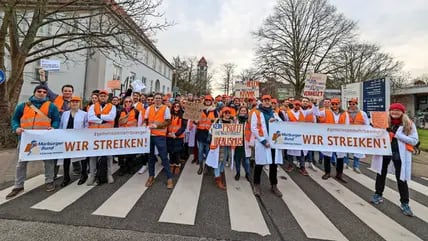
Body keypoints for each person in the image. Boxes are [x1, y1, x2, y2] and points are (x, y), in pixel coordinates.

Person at [6, 85, 60, 198]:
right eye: (39, 91)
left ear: (46, 94)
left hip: (44, 140)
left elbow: (56, 120)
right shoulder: (23, 106)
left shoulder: (52, 107)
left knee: (48, 162)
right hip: (26, 139)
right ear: (34, 92)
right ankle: (18, 185)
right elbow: (15, 119)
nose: (41, 93)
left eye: (44, 92)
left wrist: (54, 127)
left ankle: (49, 181)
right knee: (21, 163)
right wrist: (16, 128)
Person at [370, 103, 419, 216]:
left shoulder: (408, 124)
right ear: (390, 111)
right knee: (380, 174)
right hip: (385, 152)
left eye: (398, 110)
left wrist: (397, 135)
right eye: (393, 110)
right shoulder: (384, 121)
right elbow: (374, 134)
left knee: (401, 178)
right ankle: (378, 194)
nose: (395, 112)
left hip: (399, 153)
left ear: (402, 112)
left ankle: (405, 203)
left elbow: (414, 140)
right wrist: (373, 127)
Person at [251, 95, 283, 197]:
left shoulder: (274, 113)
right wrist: (263, 141)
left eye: (269, 101)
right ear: (262, 101)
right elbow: (254, 128)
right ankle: (256, 184)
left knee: (274, 165)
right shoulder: (256, 112)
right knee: (259, 164)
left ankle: (274, 185)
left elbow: (282, 124)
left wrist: (276, 121)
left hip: (273, 142)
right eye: (265, 100)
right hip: (262, 142)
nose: (267, 102)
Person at [315, 98, 349, 182]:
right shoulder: (325, 112)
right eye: (333, 104)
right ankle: (327, 172)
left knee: (340, 156)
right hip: (329, 137)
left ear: (339, 104)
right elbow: (316, 113)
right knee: (327, 155)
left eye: (336, 104)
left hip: (340, 138)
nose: (334, 106)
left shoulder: (345, 113)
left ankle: (339, 174)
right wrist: (315, 104)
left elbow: (347, 125)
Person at [87, 90, 116, 185]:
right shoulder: (92, 106)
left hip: (107, 135)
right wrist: (103, 120)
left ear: (107, 97)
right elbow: (90, 118)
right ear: (99, 97)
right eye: (101, 96)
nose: (103, 97)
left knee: (108, 155)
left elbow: (111, 117)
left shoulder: (112, 107)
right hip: (94, 134)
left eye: (104, 96)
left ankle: (109, 174)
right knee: (93, 156)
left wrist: (98, 115)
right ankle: (92, 175)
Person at [145, 93, 174, 189]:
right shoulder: (149, 108)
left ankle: (169, 178)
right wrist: (146, 127)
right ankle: (151, 176)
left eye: (159, 98)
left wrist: (157, 126)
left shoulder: (165, 108)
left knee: (164, 157)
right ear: (153, 99)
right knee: (150, 157)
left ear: (162, 100)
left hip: (160, 136)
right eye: (156, 98)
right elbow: (146, 119)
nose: (157, 100)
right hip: (150, 135)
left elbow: (168, 121)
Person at [58, 96, 88, 186]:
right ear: (69, 103)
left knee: (82, 158)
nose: (74, 103)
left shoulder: (84, 114)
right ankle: (66, 177)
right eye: (73, 102)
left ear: (79, 103)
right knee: (66, 159)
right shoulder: (65, 114)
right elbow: (61, 125)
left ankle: (84, 174)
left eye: (76, 102)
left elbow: (86, 126)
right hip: (67, 138)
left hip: (79, 139)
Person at [117, 96, 144, 176]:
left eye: (129, 101)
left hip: (132, 135)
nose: (128, 103)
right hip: (122, 135)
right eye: (126, 101)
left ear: (132, 103)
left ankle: (130, 167)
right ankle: (122, 167)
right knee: (121, 153)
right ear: (124, 103)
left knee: (131, 153)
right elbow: (117, 123)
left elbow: (139, 123)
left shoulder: (136, 111)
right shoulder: (120, 111)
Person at [195, 95, 218, 175]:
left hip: (209, 133)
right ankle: (201, 166)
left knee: (208, 150)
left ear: (211, 101)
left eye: (209, 100)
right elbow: (195, 120)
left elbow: (217, 120)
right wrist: (195, 121)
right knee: (200, 150)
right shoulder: (200, 109)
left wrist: (214, 121)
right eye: (206, 100)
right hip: (200, 132)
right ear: (204, 101)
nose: (208, 101)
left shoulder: (214, 110)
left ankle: (206, 167)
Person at [346, 98, 369, 173]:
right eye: (350, 104)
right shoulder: (345, 113)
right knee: (346, 149)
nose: (352, 105)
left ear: (356, 104)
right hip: (347, 134)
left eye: (354, 104)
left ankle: (356, 166)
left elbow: (367, 124)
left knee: (358, 150)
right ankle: (345, 163)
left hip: (358, 135)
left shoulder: (362, 113)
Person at [167, 102, 187, 175]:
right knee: (170, 151)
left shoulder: (183, 115)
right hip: (169, 136)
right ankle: (172, 164)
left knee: (177, 152)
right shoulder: (169, 115)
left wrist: (176, 134)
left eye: (178, 106)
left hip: (178, 136)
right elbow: (166, 124)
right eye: (175, 106)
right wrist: (168, 133)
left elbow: (183, 127)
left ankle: (178, 165)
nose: (176, 107)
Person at [234, 106, 251, 182]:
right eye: (242, 111)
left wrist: (252, 142)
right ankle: (238, 173)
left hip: (246, 142)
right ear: (239, 111)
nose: (243, 112)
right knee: (237, 159)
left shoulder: (249, 120)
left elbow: (253, 131)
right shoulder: (235, 120)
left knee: (246, 161)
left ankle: (247, 173)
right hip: (237, 143)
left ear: (247, 112)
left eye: (245, 111)